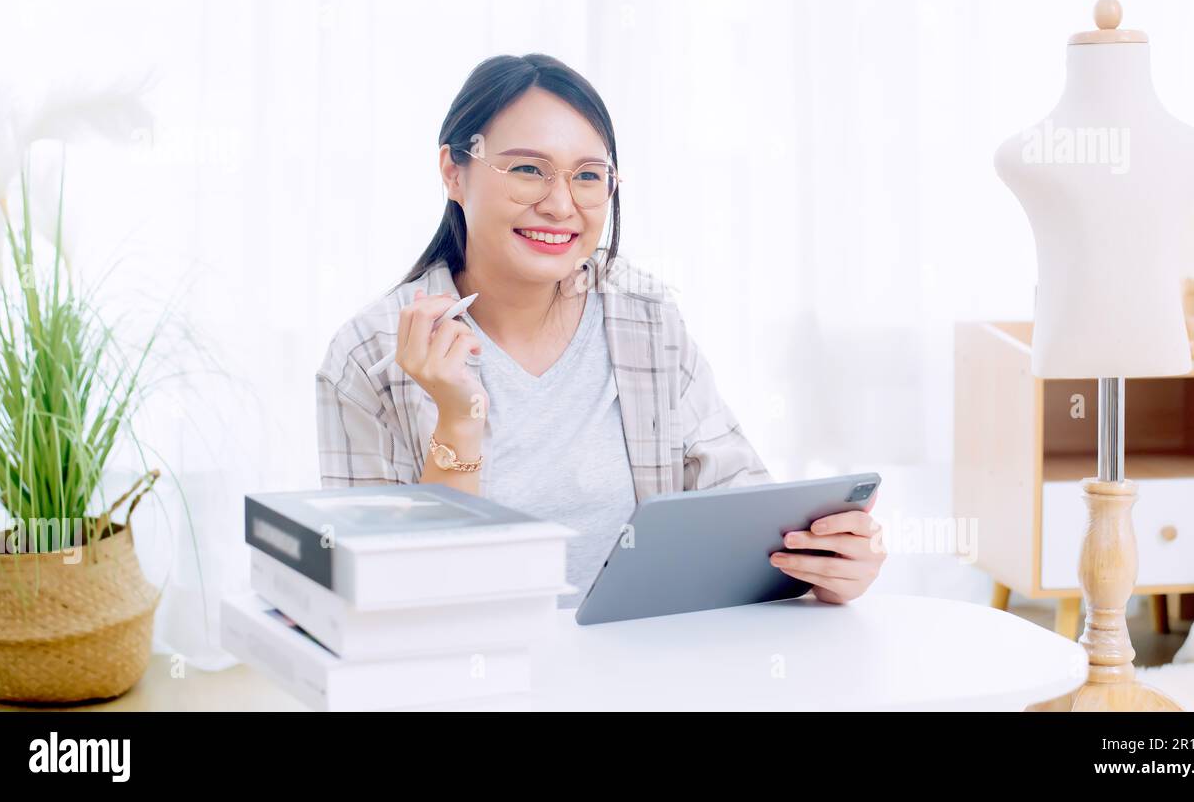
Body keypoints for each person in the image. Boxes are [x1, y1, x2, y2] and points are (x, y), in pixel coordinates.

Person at [316, 54, 885, 608]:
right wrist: (458, 420)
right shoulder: (369, 355)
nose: (561, 205)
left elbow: (738, 506)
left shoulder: (646, 322)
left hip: (643, 673)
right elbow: (391, 600)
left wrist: (823, 567)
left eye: (588, 176)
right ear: (453, 173)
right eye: (527, 170)